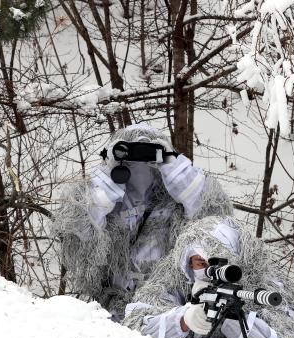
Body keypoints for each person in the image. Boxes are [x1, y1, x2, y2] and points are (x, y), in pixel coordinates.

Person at [53, 124, 233, 321]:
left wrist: (175, 170)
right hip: (114, 309)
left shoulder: (176, 205)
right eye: (130, 156)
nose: (140, 166)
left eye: (148, 155)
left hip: (167, 307)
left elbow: (214, 222)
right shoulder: (110, 205)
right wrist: (104, 185)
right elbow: (78, 240)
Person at [122, 215, 294, 338]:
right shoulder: (172, 277)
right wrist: (183, 320)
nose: (208, 272)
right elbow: (135, 324)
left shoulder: (268, 282)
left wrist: (235, 323)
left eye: (216, 264)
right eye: (200, 263)